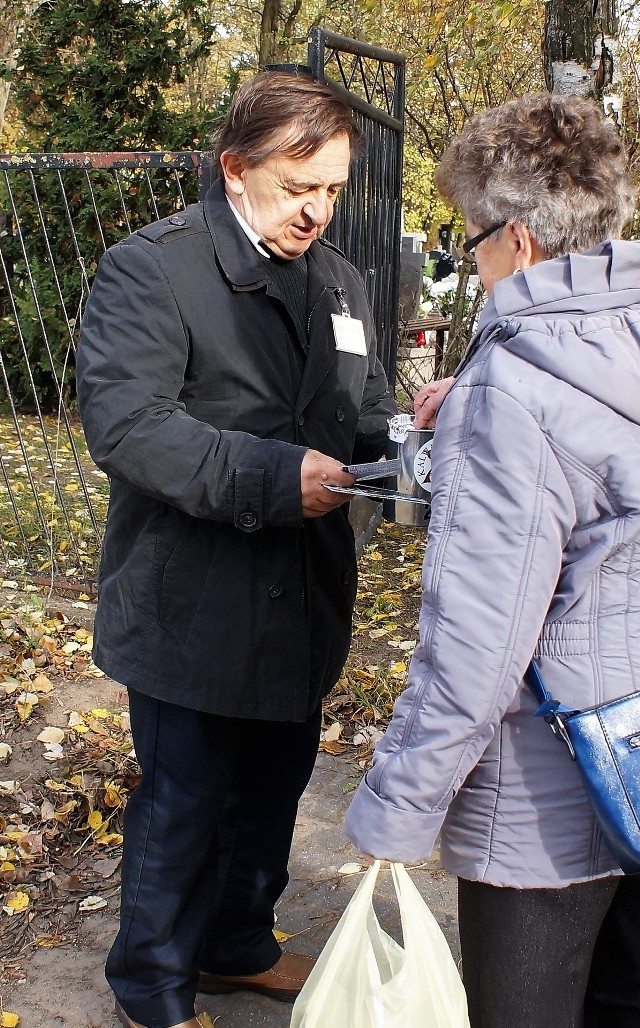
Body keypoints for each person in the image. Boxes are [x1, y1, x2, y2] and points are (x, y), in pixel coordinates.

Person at [345, 93, 640, 1028]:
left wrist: (395, 811)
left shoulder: (517, 387)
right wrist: (479, 410)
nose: (471, 261)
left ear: (517, 241)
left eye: (472, 240)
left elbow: (477, 646)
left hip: (551, 796)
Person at [76, 69, 395, 1028]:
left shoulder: (341, 281)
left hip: (302, 593)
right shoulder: (156, 268)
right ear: (235, 169)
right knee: (183, 806)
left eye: (333, 189)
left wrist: (408, 438)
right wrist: (268, 476)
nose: (317, 210)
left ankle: (237, 948)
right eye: (299, 187)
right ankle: (153, 987)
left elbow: (360, 409)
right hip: (192, 598)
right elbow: (128, 427)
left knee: (271, 788)